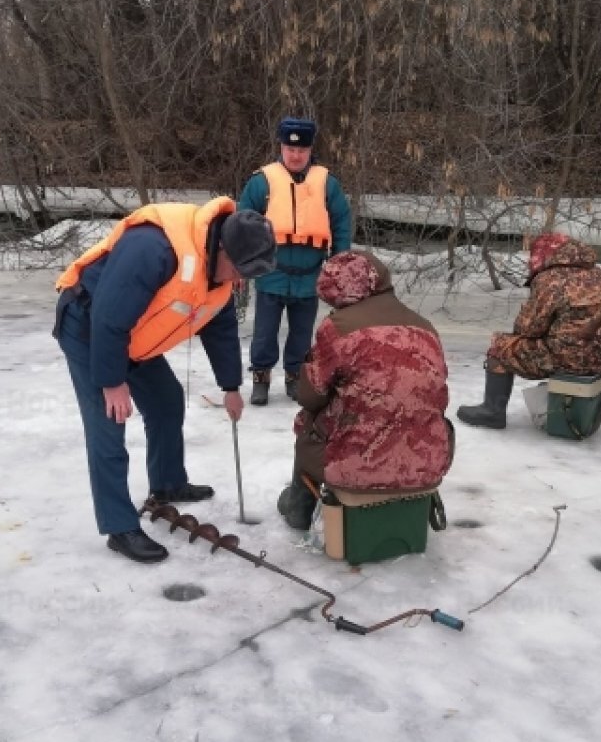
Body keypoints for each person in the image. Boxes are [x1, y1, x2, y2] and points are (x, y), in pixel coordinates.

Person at [53, 198, 277, 563]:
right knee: (110, 422)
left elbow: (219, 327)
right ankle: (119, 526)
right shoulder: (154, 247)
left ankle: (168, 483)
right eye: (240, 269)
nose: (240, 280)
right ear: (221, 247)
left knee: (167, 401)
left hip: (134, 336)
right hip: (90, 328)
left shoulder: (220, 271)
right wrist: (112, 381)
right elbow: (109, 315)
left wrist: (231, 387)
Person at [276, 251, 454, 530]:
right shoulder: (425, 327)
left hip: (354, 462)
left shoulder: (338, 328)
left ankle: (299, 507)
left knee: (307, 421)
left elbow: (309, 396)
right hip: (427, 460)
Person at [237, 116, 352, 406]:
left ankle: (295, 376)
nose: (296, 155)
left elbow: (340, 221)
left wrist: (338, 261)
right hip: (270, 272)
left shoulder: (327, 184)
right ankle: (261, 377)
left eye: (302, 150)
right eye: (290, 149)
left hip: (309, 275)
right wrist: (243, 262)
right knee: (264, 332)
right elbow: (243, 222)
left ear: (310, 150)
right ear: (282, 147)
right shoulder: (261, 182)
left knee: (302, 333)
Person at [457, 232, 601, 430]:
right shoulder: (600, 275)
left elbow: (527, 329)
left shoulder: (551, 279)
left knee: (500, 345)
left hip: (571, 359)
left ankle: (492, 411)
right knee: (564, 345)